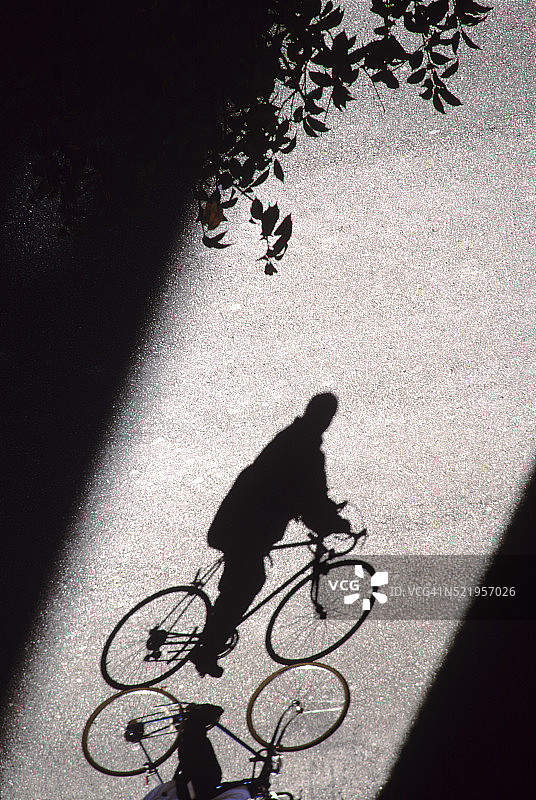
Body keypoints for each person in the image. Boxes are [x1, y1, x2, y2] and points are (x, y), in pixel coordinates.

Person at [190, 392, 351, 678]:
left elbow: (306, 494)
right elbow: (309, 495)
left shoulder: (293, 437)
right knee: (248, 582)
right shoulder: (307, 451)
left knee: (237, 584)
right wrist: (333, 524)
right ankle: (206, 650)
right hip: (246, 529)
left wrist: (322, 513)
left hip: (238, 521)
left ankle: (210, 638)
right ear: (326, 418)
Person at [142, 704, 252, 800]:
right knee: (205, 773)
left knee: (201, 769)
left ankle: (193, 721)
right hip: (190, 789)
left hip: (188, 790)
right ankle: (192, 722)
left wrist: (249, 790)